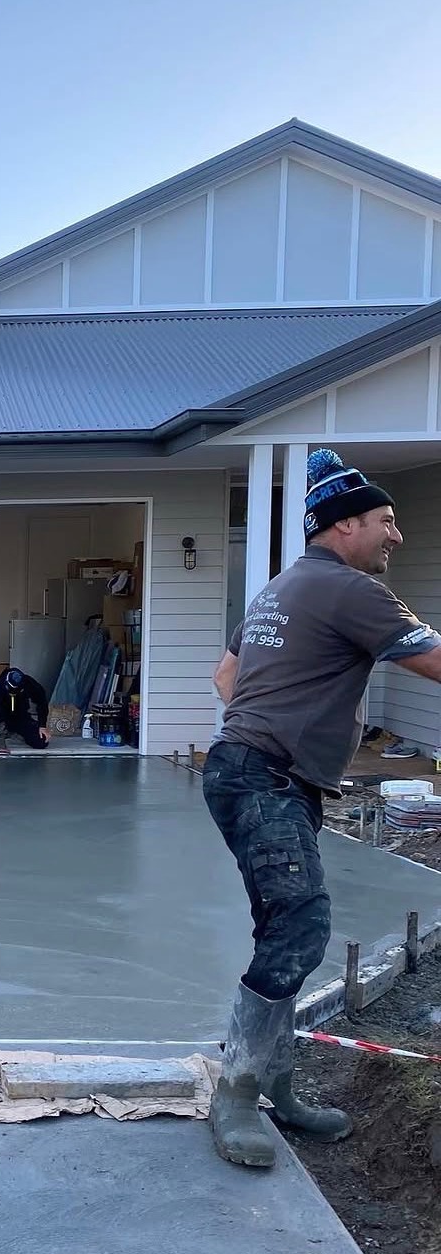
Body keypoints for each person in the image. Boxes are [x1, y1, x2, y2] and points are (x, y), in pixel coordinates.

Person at [204, 449, 441, 1169]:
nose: (395, 536)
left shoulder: (285, 588)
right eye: (386, 520)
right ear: (345, 526)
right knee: (301, 926)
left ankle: (274, 1081)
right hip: (266, 778)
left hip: (253, 771)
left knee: (284, 924)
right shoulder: (349, 590)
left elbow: (226, 676)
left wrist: (278, 719)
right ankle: (237, 1095)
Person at [0, 668, 50, 755]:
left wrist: (42, 725)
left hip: (18, 716)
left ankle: (11, 732)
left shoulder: (29, 683)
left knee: (42, 741)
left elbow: (42, 702)